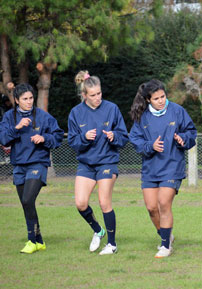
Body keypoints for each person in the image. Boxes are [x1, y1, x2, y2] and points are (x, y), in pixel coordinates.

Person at [129, 79, 197, 258]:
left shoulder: (177, 111)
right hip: (150, 168)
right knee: (152, 208)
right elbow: (135, 140)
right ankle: (167, 236)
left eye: (163, 96)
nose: (161, 100)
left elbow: (191, 132)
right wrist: (150, 146)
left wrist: (183, 139)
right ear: (148, 100)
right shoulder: (142, 116)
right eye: (156, 98)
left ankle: (165, 246)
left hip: (172, 166)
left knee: (164, 204)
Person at [68, 71, 129, 255]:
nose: (97, 98)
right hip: (86, 164)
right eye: (93, 95)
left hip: (107, 162)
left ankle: (112, 244)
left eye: (99, 93)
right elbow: (73, 142)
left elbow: (123, 137)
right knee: (80, 203)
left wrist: (114, 136)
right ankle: (98, 230)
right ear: (84, 95)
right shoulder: (76, 113)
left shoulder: (112, 109)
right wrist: (84, 137)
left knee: (104, 202)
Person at [0, 83, 64, 253]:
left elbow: (57, 136)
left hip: (37, 163)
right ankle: (39, 240)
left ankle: (31, 241)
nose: (29, 102)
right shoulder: (8, 117)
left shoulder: (43, 116)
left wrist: (44, 138)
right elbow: (4, 139)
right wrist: (17, 128)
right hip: (19, 165)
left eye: (31, 98)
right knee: (25, 203)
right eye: (25, 99)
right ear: (16, 100)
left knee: (28, 199)